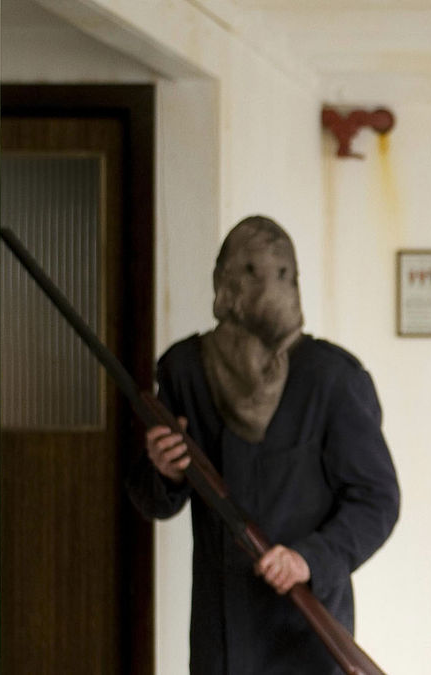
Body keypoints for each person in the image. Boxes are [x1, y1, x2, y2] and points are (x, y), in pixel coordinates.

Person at [127, 215, 400, 674]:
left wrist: (309, 559)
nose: (266, 287)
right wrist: (163, 470)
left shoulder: (333, 377)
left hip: (309, 639)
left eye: (279, 273)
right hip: (220, 640)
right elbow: (151, 499)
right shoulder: (186, 370)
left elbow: (377, 499)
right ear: (224, 281)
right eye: (249, 272)